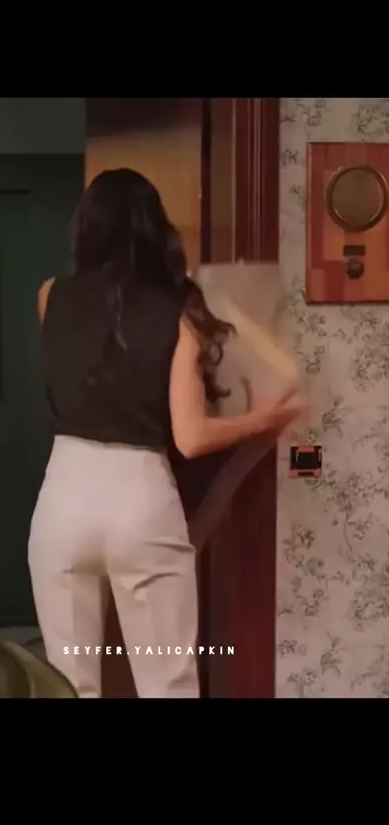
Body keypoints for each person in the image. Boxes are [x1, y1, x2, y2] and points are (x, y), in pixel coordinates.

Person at [28, 168, 303, 699]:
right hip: (139, 499)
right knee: (166, 683)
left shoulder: (49, 296)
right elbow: (192, 437)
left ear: (85, 228)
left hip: (62, 498)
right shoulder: (179, 311)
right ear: (156, 229)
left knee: (67, 683)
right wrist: (267, 419)